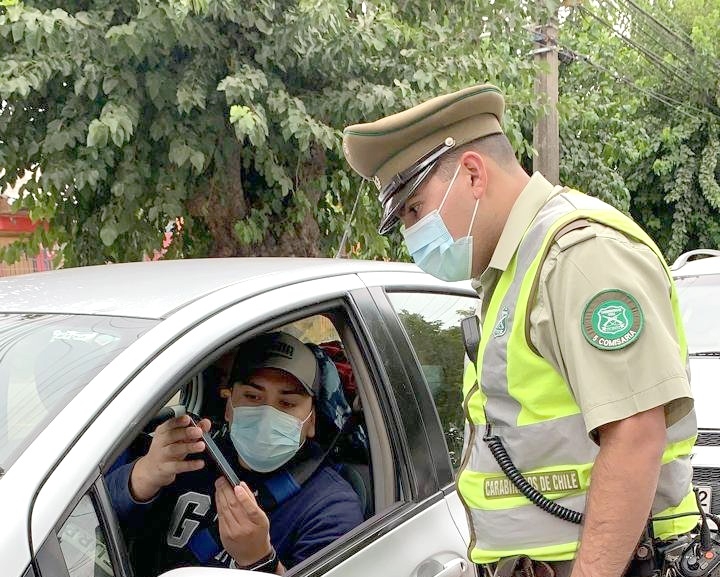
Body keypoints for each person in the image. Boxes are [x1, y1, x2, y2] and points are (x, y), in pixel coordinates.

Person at [342, 84, 697, 577]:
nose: (411, 234)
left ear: (472, 173)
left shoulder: (577, 255)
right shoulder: (514, 267)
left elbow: (637, 433)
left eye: (414, 210)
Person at [107, 331, 364, 575]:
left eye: (287, 403)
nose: (266, 417)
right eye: (252, 397)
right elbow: (94, 522)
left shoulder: (331, 507)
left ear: (311, 421)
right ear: (228, 407)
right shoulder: (190, 454)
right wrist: (141, 478)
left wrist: (260, 562)